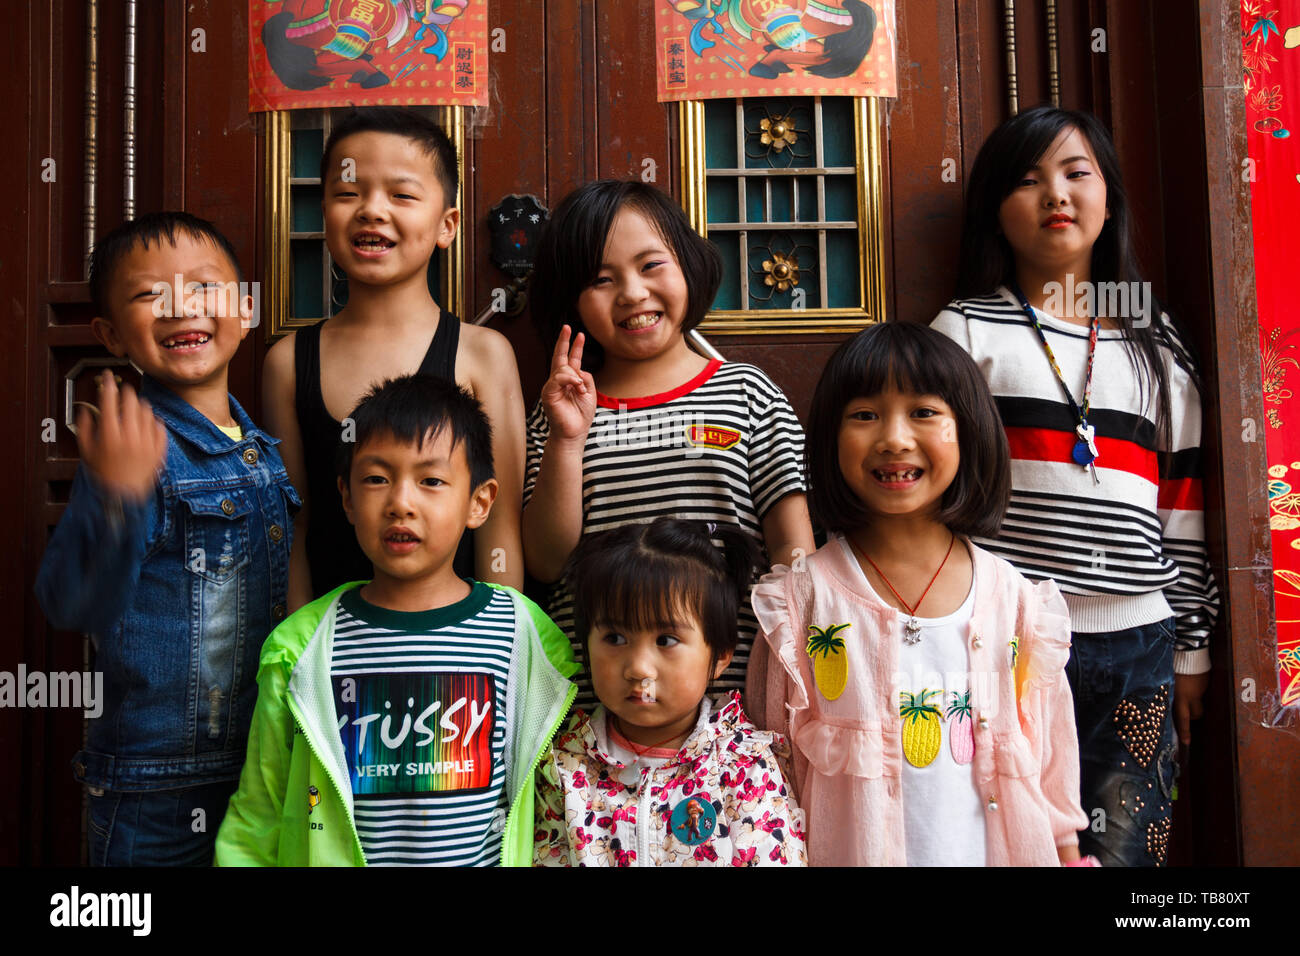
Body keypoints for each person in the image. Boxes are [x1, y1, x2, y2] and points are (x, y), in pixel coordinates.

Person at [931, 106, 1219, 867]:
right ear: (996, 211)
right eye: (1026, 181)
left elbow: (1182, 505)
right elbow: (932, 500)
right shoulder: (965, 331)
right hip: (1007, 639)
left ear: (1110, 199)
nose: (1054, 193)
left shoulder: (1156, 340)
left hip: (1140, 644)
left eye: (1075, 173)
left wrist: (1191, 646)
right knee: (1013, 841)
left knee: (1128, 848)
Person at [746, 322, 1091, 866]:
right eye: (864, 415)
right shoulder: (801, 603)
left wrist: (1068, 851)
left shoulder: (1016, 602)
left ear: (969, 429)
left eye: (924, 412)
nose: (894, 438)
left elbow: (1050, 756)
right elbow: (770, 771)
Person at [215, 375, 577, 866]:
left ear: (479, 501)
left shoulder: (524, 636)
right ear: (346, 498)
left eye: (431, 480)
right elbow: (259, 812)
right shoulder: (302, 647)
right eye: (376, 479)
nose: (400, 503)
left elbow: (559, 804)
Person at [35, 212, 297, 865]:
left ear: (244, 306)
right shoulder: (135, 452)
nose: (182, 307)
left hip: (260, 771)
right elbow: (71, 603)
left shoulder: (262, 451)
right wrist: (119, 497)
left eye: (204, 288)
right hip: (156, 794)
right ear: (110, 333)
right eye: (151, 294)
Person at [523, 179, 815, 708]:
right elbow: (544, 563)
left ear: (688, 263)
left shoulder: (747, 393)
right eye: (601, 279)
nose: (632, 293)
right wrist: (567, 439)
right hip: (598, 720)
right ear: (572, 301)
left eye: (651, 265)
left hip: (732, 718)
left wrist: (798, 683)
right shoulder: (559, 410)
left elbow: (794, 558)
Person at [262, 107, 526, 609]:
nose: (371, 210)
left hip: (460, 659)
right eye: (348, 193)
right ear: (325, 214)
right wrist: (299, 659)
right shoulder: (289, 362)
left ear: (447, 225)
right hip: (335, 655)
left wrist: (504, 660)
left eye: (401, 195)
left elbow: (500, 529)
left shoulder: (483, 355)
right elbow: (291, 532)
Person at [534, 518, 806, 866]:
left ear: (720, 654)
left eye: (666, 640)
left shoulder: (745, 765)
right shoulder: (564, 767)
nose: (639, 669)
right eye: (615, 638)